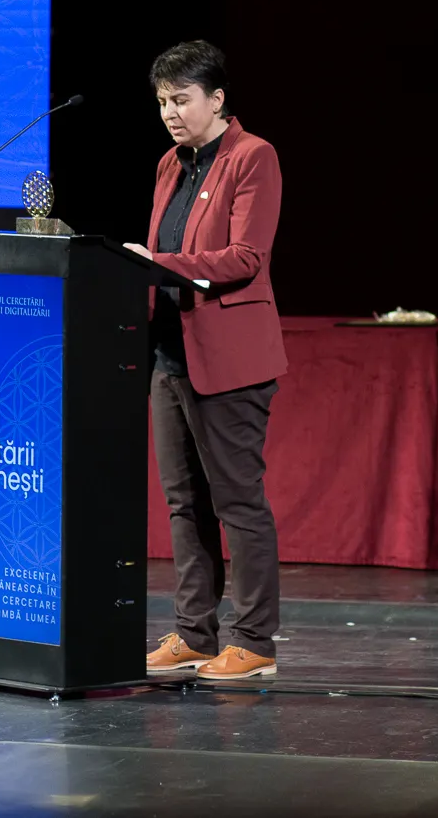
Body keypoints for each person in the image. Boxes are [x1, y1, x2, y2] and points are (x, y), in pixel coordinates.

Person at [123, 40, 289, 682]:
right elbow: (164, 250)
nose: (170, 112)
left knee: (237, 502)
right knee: (183, 503)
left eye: (182, 99)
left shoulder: (253, 157)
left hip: (229, 359)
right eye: (162, 101)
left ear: (217, 100)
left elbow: (246, 257)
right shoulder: (170, 163)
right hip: (170, 355)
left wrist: (156, 263)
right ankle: (195, 633)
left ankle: (254, 641)